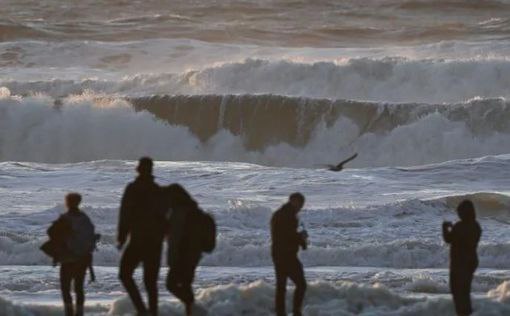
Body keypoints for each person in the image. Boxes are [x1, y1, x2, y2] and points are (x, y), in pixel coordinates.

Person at [117, 157, 166, 316]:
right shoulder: (158, 190)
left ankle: (142, 310)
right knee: (151, 282)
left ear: (138, 169)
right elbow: (166, 218)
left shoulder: (133, 188)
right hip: (155, 242)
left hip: (138, 240)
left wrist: (122, 237)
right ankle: (152, 312)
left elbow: (125, 214)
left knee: (125, 274)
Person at [163, 184, 206, 316]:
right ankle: (191, 310)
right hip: (193, 256)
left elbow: (175, 236)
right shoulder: (194, 210)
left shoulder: (178, 212)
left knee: (171, 284)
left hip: (181, 256)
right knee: (186, 286)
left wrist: (173, 258)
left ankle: (192, 306)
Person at [53, 193, 96, 316]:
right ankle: (79, 313)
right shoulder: (85, 219)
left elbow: (53, 234)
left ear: (67, 203)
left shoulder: (64, 218)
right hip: (83, 259)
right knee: (79, 289)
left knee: (65, 289)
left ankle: (69, 313)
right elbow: (91, 238)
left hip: (68, 259)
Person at [271, 193, 308, 316]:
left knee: (281, 287)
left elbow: (285, 235)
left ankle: (280, 313)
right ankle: (296, 312)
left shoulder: (282, 213)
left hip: (277, 254)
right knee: (301, 284)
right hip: (287, 255)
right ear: (293, 201)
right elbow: (287, 236)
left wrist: (300, 239)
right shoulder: (287, 216)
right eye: (300, 204)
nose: (300, 207)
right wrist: (301, 238)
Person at [443, 200, 482, 316]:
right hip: (471, 262)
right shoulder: (476, 226)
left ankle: (463, 313)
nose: (459, 215)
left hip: (460, 264)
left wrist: (445, 228)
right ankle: (466, 313)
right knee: (464, 292)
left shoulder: (460, 226)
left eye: (460, 212)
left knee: (457, 292)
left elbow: (448, 239)